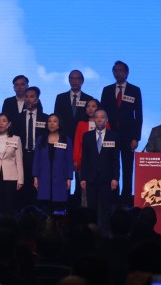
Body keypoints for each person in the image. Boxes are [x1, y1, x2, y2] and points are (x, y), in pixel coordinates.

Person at [99, 60, 142, 199]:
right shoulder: (107, 90)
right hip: (110, 134)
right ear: (113, 73)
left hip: (128, 135)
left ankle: (126, 196)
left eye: (121, 70)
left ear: (127, 73)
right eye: (116, 70)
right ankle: (112, 195)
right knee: (111, 164)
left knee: (127, 166)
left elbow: (139, 116)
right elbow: (102, 113)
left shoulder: (134, 90)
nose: (118, 72)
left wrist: (136, 137)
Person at [80, 109, 120, 235]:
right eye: (97, 117)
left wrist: (115, 178)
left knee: (107, 207)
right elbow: (84, 159)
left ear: (106, 120)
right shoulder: (87, 136)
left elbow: (115, 160)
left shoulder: (113, 136)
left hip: (107, 178)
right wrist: (83, 178)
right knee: (92, 207)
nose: (99, 119)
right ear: (93, 119)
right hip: (91, 178)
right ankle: (92, 232)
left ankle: (105, 232)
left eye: (102, 117)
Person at [32, 114, 73, 213]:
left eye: (55, 121)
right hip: (43, 178)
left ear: (59, 125)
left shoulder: (66, 140)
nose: (52, 123)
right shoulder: (41, 139)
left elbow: (69, 161)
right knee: (44, 208)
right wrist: (35, 177)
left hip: (60, 179)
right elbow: (36, 159)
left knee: (59, 208)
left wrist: (69, 178)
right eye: (50, 121)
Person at [15, 86, 44, 207]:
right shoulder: (17, 117)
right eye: (26, 96)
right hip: (23, 155)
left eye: (32, 97)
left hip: (39, 156)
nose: (28, 99)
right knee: (23, 185)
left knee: (37, 186)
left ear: (37, 100)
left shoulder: (45, 118)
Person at [53, 69, 95, 137]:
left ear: (82, 81)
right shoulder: (60, 98)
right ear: (69, 81)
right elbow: (56, 116)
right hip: (64, 135)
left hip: (83, 135)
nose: (74, 81)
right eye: (71, 78)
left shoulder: (88, 99)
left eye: (77, 78)